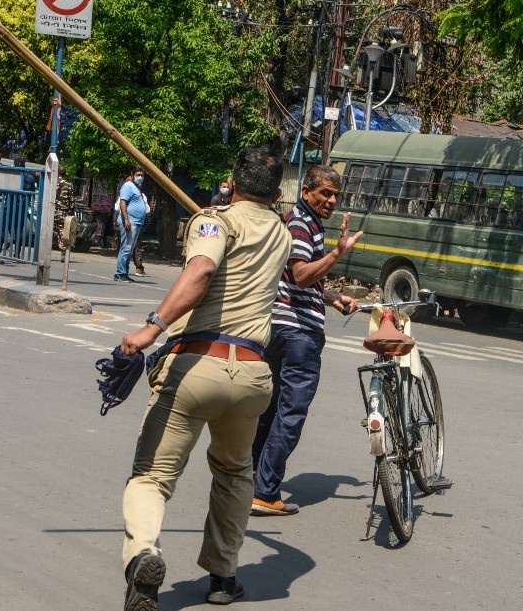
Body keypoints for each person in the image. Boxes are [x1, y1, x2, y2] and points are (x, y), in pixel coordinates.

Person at [118, 145, 292, 610]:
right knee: (235, 473)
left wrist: (150, 327)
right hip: (253, 373)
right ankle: (223, 576)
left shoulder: (215, 221)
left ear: (231, 182)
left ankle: (144, 554)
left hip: (198, 364)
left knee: (152, 478)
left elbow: (202, 269)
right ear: (276, 193)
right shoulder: (281, 232)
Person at [251, 164, 363, 515]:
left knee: (269, 410)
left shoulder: (302, 222)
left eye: (335, 195)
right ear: (307, 192)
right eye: (325, 193)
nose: (330, 200)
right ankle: (266, 492)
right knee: (290, 413)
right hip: (297, 333)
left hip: (280, 328)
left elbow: (294, 277)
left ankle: (253, 479)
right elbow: (300, 275)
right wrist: (336, 254)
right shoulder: (301, 224)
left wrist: (331, 298)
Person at [114, 167, 148, 282]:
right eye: (138, 174)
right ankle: (120, 274)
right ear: (132, 175)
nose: (140, 177)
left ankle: (124, 273)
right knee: (126, 248)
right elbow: (123, 203)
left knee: (130, 248)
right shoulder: (128, 186)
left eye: (142, 175)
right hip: (130, 222)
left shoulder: (136, 188)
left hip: (137, 223)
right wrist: (126, 220)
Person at [53, 167, 75, 262]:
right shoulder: (69, 185)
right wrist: (71, 211)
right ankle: (63, 252)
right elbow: (72, 201)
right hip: (63, 212)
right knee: (62, 231)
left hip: (52, 211)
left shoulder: (53, 183)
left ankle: (42, 252)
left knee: (47, 230)